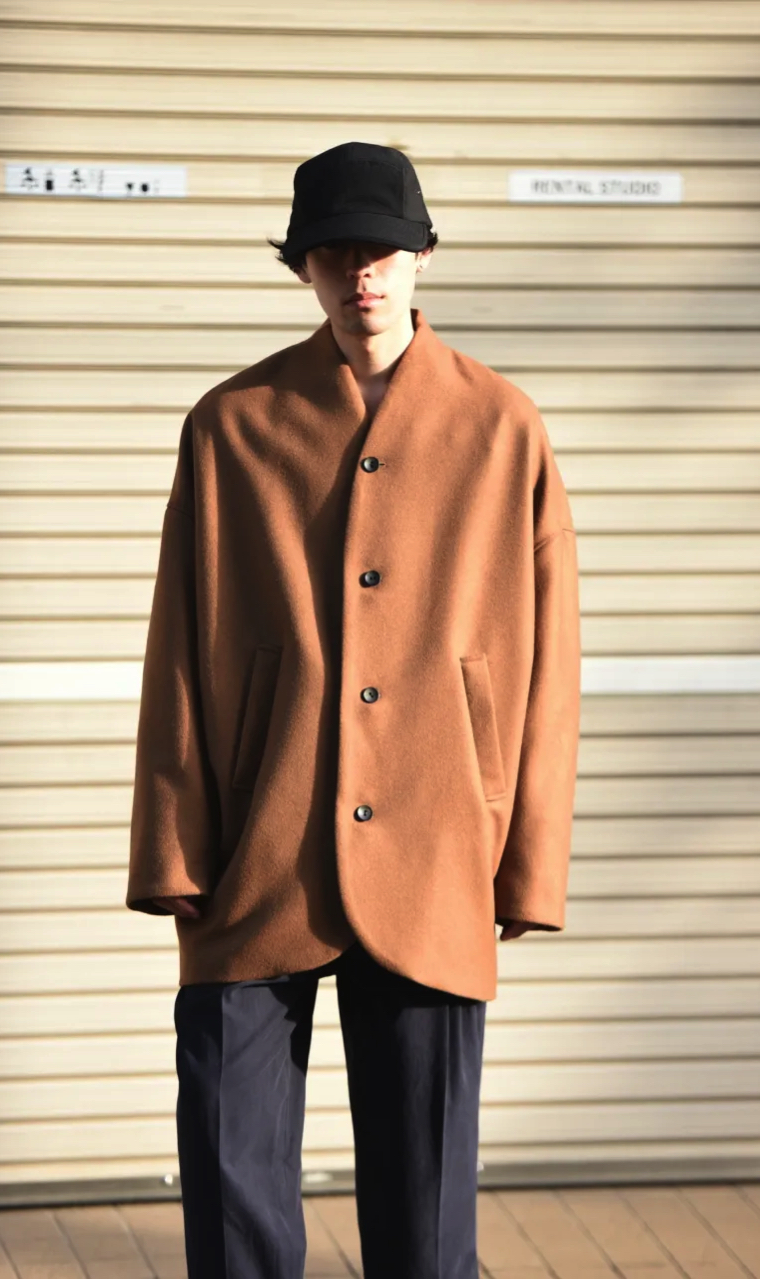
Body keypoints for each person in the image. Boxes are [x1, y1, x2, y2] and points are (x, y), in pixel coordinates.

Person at [126, 140, 581, 1279]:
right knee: (230, 1185)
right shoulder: (233, 423)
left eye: (380, 249)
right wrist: (173, 842)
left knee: (426, 1211)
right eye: (332, 253)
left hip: (435, 839)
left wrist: (527, 860)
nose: (359, 272)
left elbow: (547, 663)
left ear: (421, 256)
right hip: (257, 841)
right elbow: (178, 641)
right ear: (303, 269)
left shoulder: (501, 426)